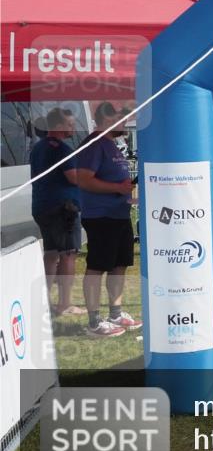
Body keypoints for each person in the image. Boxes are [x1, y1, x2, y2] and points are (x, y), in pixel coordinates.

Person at [76, 102, 142, 338]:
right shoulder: (94, 144)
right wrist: (117, 187)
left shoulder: (111, 144)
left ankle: (116, 313)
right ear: (105, 119)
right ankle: (94, 322)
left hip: (118, 214)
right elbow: (84, 180)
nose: (125, 122)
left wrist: (127, 189)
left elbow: (117, 182)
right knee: (97, 266)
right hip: (100, 216)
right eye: (120, 118)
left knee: (119, 265)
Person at [30, 107, 86, 317]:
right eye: (70, 124)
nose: (73, 128)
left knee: (51, 254)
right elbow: (74, 177)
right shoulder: (62, 149)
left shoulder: (38, 148)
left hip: (42, 206)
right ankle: (65, 304)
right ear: (58, 126)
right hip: (63, 209)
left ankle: (45, 300)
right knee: (68, 254)